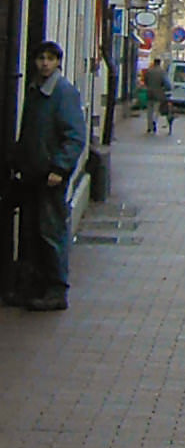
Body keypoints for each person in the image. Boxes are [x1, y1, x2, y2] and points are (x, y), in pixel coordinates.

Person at [11, 42, 86, 312]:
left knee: (51, 232)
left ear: (58, 62)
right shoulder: (35, 90)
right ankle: (33, 287)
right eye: (41, 58)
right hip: (32, 173)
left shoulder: (62, 92)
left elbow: (75, 136)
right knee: (31, 231)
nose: (45, 63)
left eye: (50, 59)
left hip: (50, 176)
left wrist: (60, 168)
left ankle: (56, 289)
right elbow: (30, 131)